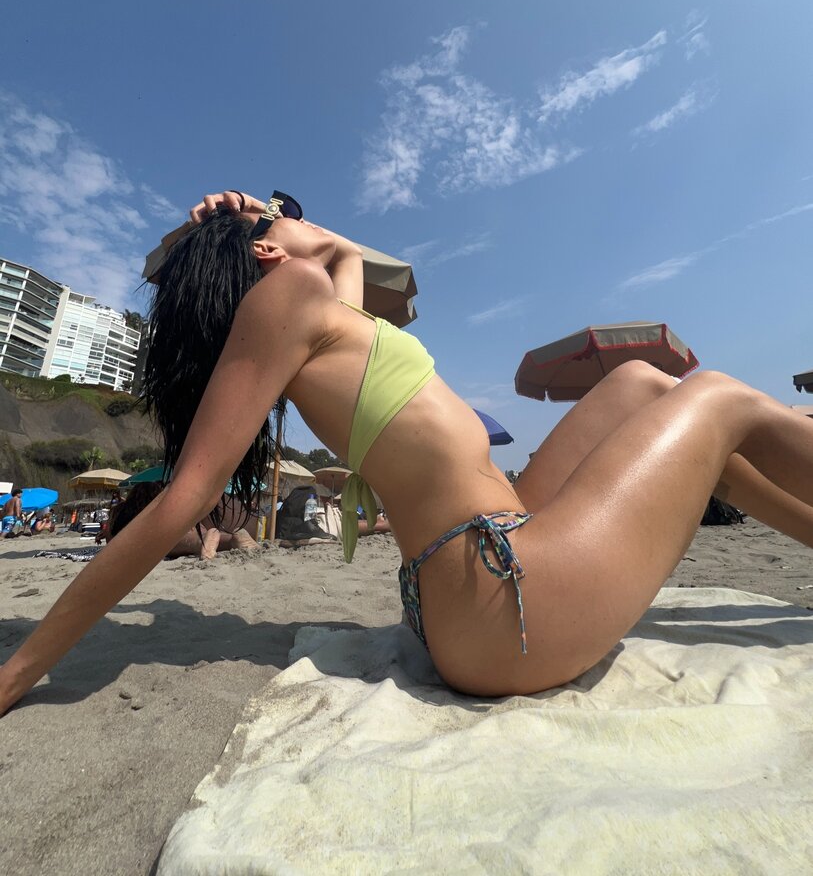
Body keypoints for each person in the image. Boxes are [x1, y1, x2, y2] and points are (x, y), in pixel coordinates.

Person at [2, 186, 813, 715]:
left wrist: (250, 218)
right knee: (719, 398)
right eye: (281, 211)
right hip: (507, 603)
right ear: (266, 254)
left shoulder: (324, 307)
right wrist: (18, 671)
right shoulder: (287, 297)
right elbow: (183, 498)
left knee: (639, 383)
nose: (293, 210)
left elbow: (346, 255)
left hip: (487, 581)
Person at [99, 481, 261, 560]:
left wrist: (105, 535)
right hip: (172, 532)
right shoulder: (159, 510)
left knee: (188, 543)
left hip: (145, 545)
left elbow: (111, 539)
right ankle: (231, 538)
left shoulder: (120, 510)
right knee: (191, 537)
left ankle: (208, 540)